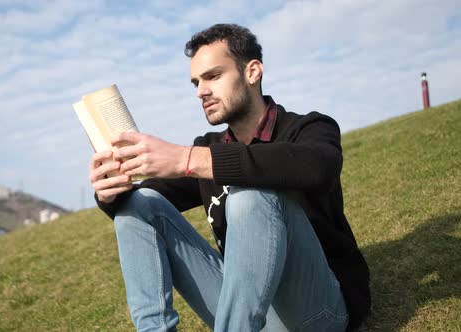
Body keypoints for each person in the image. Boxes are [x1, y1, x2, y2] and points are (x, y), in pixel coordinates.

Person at [89, 23, 370, 332]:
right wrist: (109, 191)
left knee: (251, 194)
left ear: (252, 72)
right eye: (196, 82)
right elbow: (138, 207)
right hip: (249, 312)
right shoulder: (208, 148)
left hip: (317, 313)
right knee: (141, 203)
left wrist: (187, 158)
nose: (201, 91)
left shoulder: (309, 128)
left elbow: (318, 167)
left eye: (213, 76)